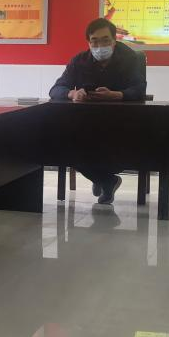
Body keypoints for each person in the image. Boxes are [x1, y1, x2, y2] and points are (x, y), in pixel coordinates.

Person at [49, 17, 147, 205]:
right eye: (94, 41)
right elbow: (56, 89)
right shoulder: (79, 61)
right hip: (86, 123)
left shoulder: (130, 59)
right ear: (88, 42)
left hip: (121, 123)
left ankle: (100, 177)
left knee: (104, 147)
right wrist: (72, 93)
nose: (100, 45)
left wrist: (117, 95)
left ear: (114, 40)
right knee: (62, 142)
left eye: (105, 40)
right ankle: (105, 179)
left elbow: (139, 89)